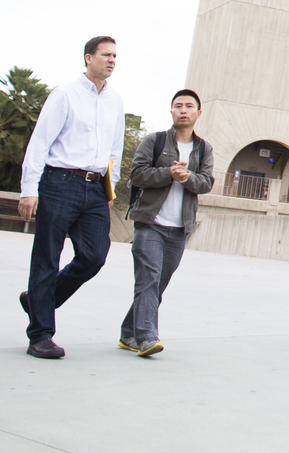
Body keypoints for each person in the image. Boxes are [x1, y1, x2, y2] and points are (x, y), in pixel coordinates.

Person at [18, 36, 125, 360]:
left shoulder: (115, 100)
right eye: (106, 55)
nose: (112, 60)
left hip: (95, 188)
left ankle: (38, 301)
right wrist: (28, 189)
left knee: (94, 256)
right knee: (47, 257)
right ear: (87, 58)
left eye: (115, 56)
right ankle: (40, 335)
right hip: (59, 181)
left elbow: (114, 150)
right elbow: (40, 143)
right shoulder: (64, 94)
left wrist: (110, 188)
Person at [119, 89, 214, 357]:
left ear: (198, 112)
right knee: (148, 279)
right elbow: (136, 174)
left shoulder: (204, 148)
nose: (183, 110)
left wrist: (187, 178)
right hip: (150, 223)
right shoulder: (154, 141)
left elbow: (206, 182)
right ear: (171, 111)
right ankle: (148, 337)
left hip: (179, 229)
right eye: (178, 106)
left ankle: (129, 332)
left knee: (158, 285)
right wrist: (168, 174)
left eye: (189, 106)